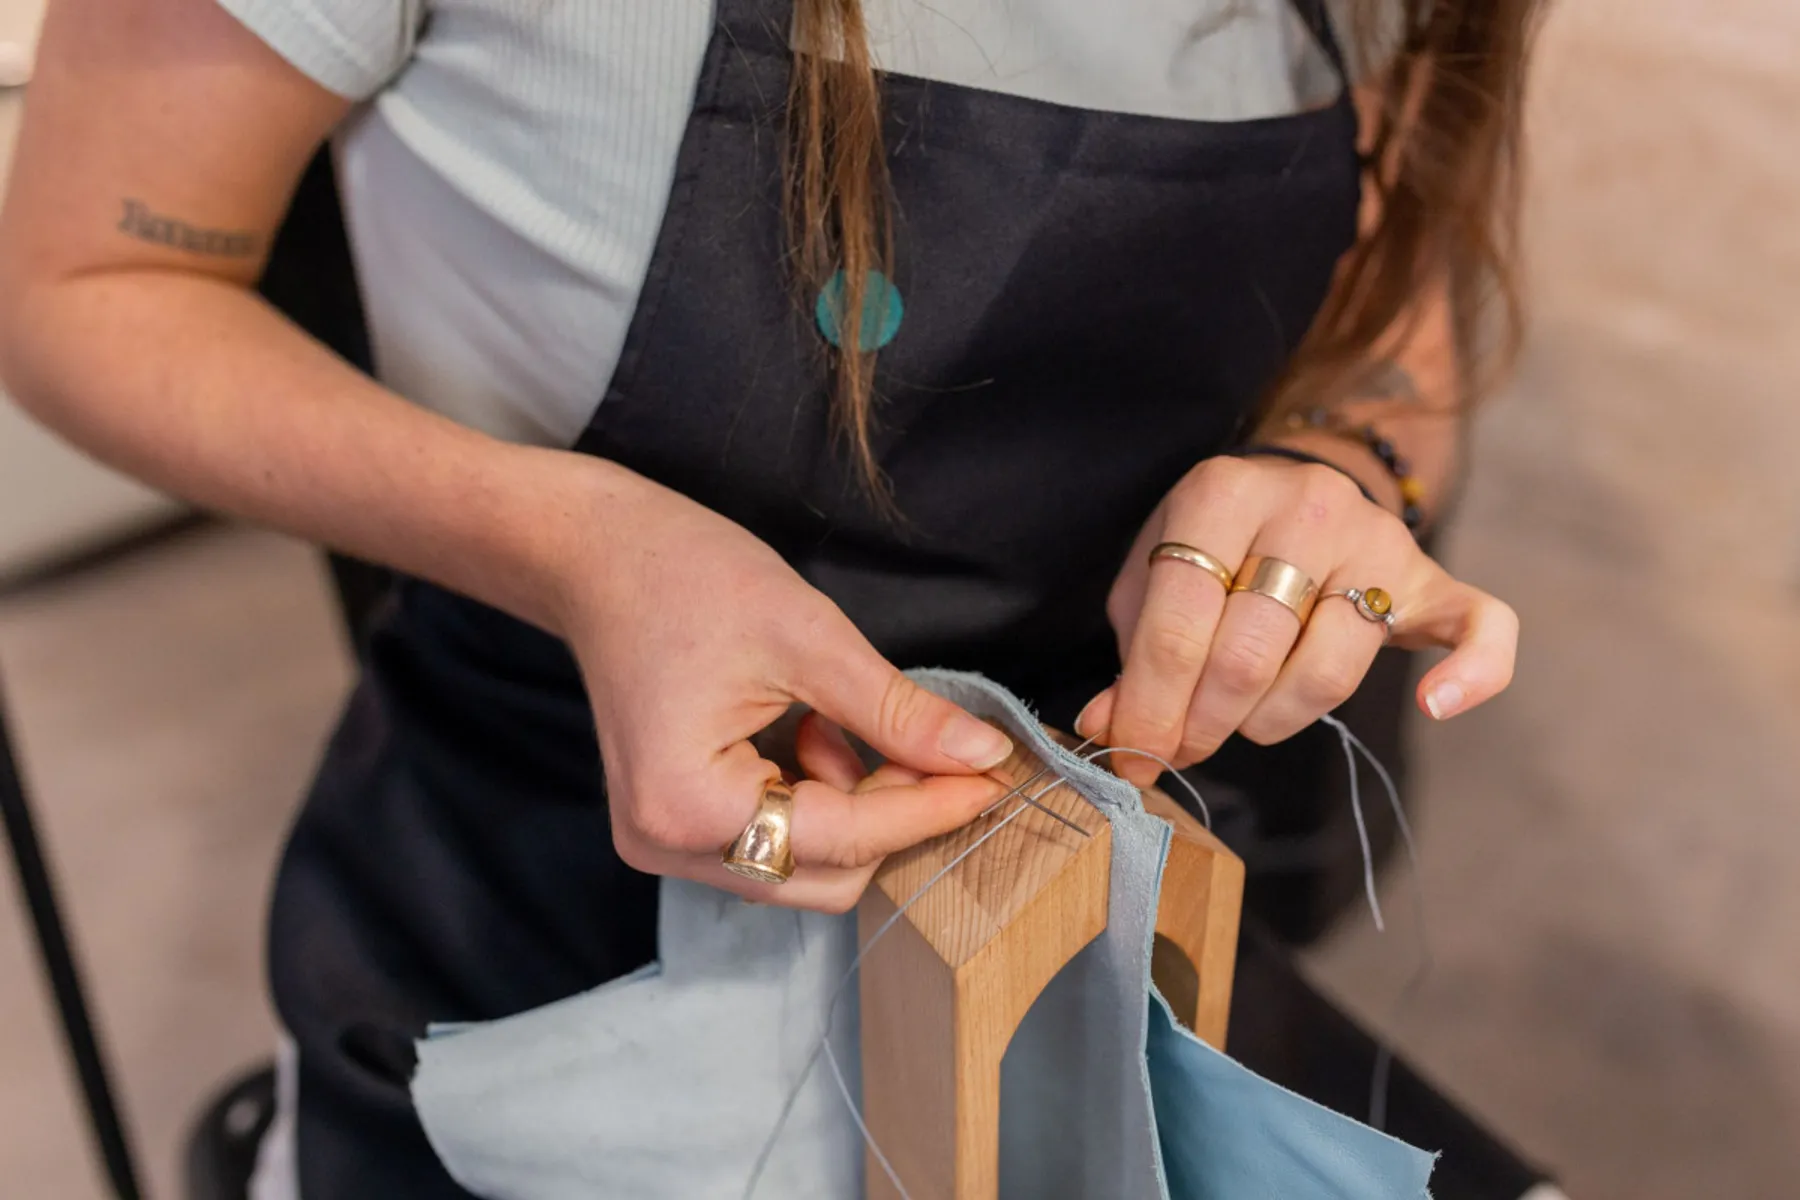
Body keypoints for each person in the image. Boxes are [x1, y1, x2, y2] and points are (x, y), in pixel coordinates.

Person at [0, 0, 1531, 1193]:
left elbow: (1398, 289)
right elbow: (85, 288)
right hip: (540, 903)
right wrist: (580, 546)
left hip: (1106, 929)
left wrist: (1336, 459)